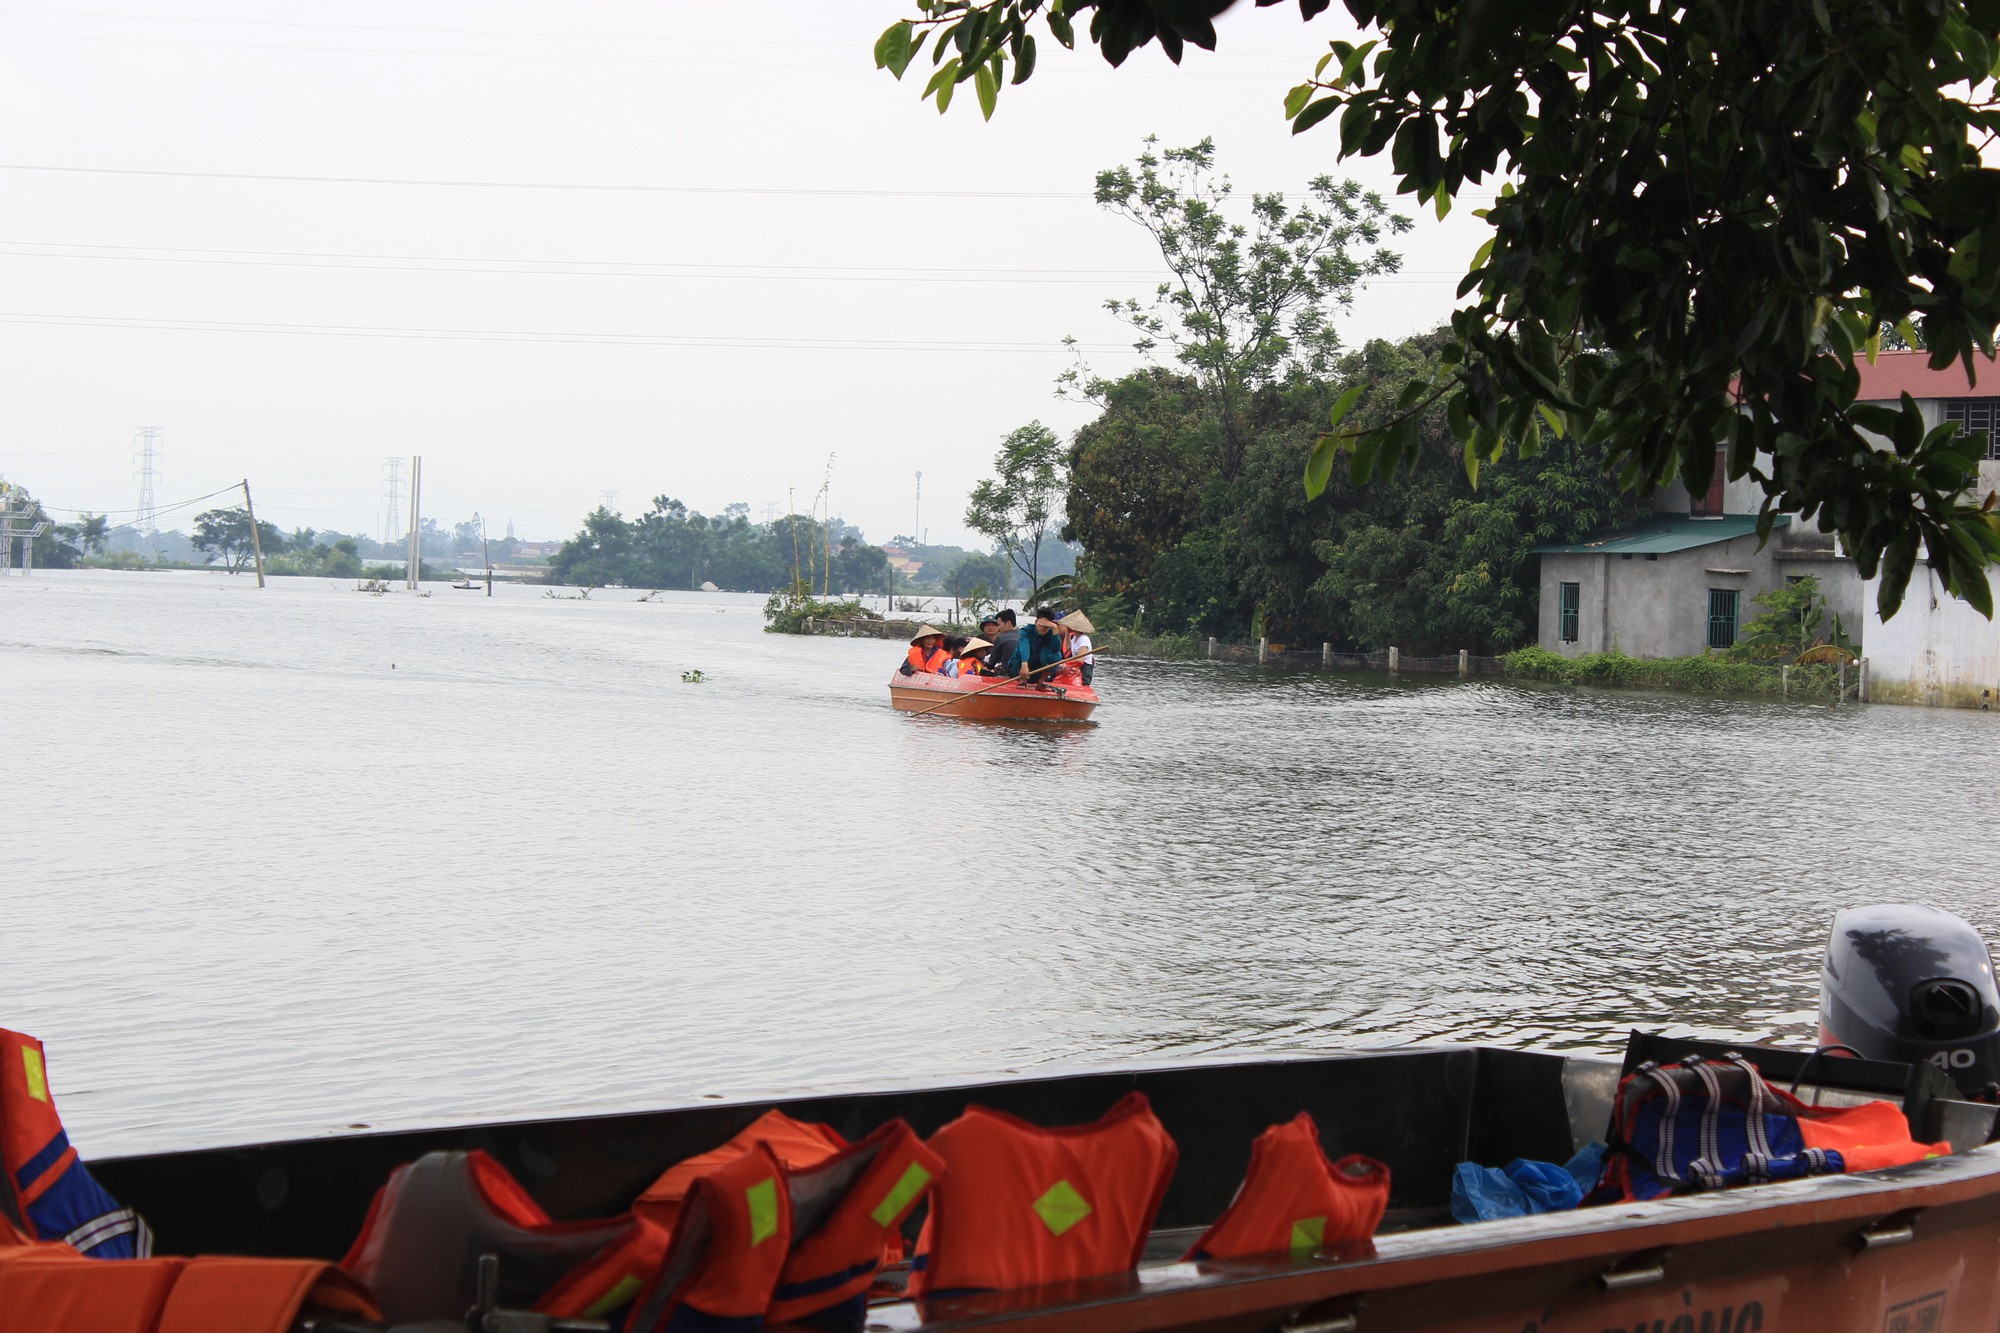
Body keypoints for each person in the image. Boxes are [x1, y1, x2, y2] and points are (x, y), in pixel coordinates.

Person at [1021, 606, 1066, 684]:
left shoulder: (1050, 634)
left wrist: (1055, 628)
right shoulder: (1026, 631)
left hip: (1039, 665)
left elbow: (1056, 649)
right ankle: (1022, 680)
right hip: (1023, 664)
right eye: (1040, 625)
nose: (1042, 628)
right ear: (1035, 622)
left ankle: (1041, 680)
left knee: (1056, 656)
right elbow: (1024, 646)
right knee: (1020, 652)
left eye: (1045, 626)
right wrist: (1024, 664)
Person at [1059, 610, 1096, 686]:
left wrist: (1067, 664)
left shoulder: (1083, 639)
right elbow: (1068, 649)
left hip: (1085, 667)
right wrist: (1067, 633)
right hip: (1078, 666)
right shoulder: (1075, 637)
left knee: (1083, 685)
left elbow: (1080, 660)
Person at [987, 610, 1023, 679]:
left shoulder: (1001, 638)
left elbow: (991, 663)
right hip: (1026, 673)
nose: (998, 628)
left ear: (1008, 623)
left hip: (1008, 675)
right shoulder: (1024, 636)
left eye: (999, 625)